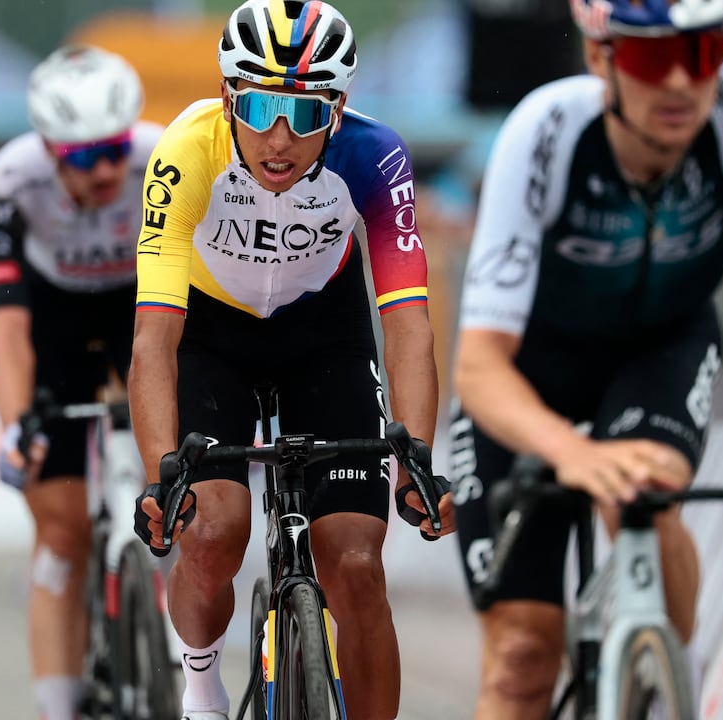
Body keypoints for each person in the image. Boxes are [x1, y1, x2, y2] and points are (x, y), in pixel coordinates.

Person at [449, 0, 723, 717]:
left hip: (661, 348)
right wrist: (569, 450)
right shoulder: (544, 130)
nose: (681, 82)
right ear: (601, 58)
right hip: (531, 371)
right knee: (521, 657)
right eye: (652, 56)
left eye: (704, 52)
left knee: (646, 495)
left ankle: (667, 682)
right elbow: (478, 365)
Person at [128, 2, 456, 718]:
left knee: (358, 567)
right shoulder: (186, 151)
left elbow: (407, 322)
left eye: (305, 115)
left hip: (324, 333)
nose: (280, 140)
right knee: (212, 533)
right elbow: (153, 338)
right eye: (259, 109)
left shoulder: (375, 156)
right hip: (211, 335)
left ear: (336, 110)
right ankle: (202, 689)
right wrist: (162, 476)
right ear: (227, 99)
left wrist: (418, 456)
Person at [0, 45, 163, 720]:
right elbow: (7, 323)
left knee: (185, 484)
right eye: (85, 157)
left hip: (142, 302)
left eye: (115, 149)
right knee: (60, 534)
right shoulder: (11, 178)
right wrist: (15, 424)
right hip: (53, 318)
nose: (108, 170)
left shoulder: (162, 154)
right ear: (50, 150)